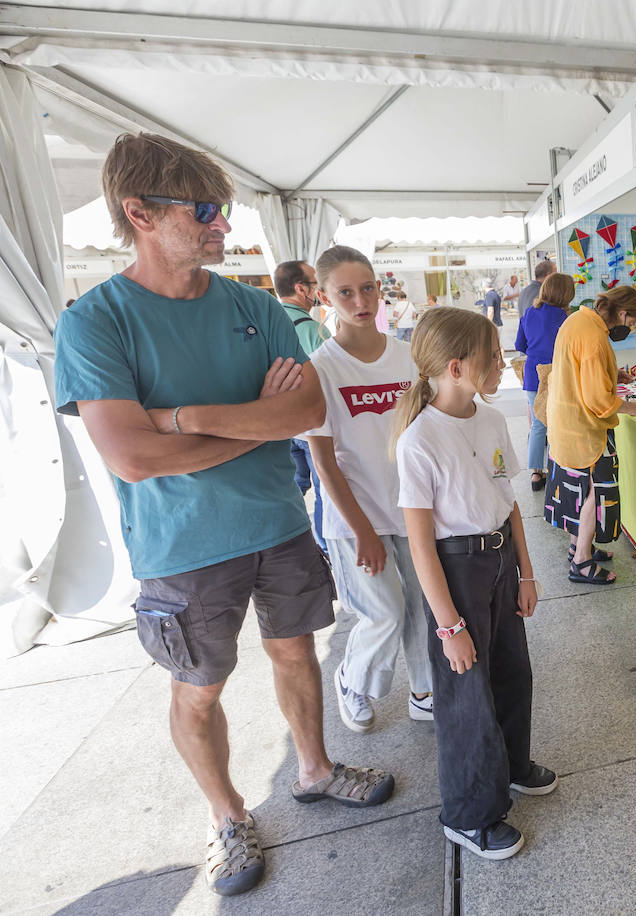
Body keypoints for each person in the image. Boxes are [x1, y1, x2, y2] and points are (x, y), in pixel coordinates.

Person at [53, 132, 393, 898]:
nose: (223, 227)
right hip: (181, 547)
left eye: (225, 210)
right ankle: (227, 815)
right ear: (138, 213)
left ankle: (314, 768)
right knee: (198, 687)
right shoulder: (97, 322)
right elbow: (131, 459)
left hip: (278, 524)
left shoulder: (252, 306)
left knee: (298, 653)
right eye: (204, 210)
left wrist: (181, 418)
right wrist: (253, 420)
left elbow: (305, 409)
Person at [394, 307, 557, 860]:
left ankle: (513, 764)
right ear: (458, 367)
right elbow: (420, 545)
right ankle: (469, 814)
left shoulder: (489, 419)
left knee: (513, 669)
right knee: (465, 695)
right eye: (493, 357)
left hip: (500, 560)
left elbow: (509, 502)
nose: (503, 364)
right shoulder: (419, 440)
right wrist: (449, 626)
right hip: (456, 572)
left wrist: (526, 572)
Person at [304, 246, 434, 734]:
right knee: (383, 613)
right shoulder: (320, 369)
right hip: (354, 515)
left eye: (367, 288)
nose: (360, 300)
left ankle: (424, 691)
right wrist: (361, 530)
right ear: (323, 297)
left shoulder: (408, 357)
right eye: (345, 292)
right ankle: (352, 680)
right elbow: (322, 460)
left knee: (423, 604)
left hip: (411, 508)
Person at [544, 285, 636, 584]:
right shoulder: (595, 338)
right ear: (622, 313)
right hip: (585, 428)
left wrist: (612, 375)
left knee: (578, 490)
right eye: (631, 324)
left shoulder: (577, 321)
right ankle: (581, 563)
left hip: (565, 420)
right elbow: (599, 402)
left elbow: (577, 370)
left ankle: (578, 548)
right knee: (594, 492)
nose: (629, 330)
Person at [274, 258, 330, 554]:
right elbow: (333, 379)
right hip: (313, 427)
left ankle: (287, 547)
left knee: (289, 489)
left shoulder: (266, 321)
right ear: (301, 289)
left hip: (279, 425)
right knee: (325, 491)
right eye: (315, 285)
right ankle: (325, 549)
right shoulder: (311, 330)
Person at [514, 272, 573, 492]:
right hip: (556, 375)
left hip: (532, 375)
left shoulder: (530, 312)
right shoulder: (564, 317)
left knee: (538, 424)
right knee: (559, 421)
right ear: (565, 294)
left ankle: (536, 472)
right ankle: (561, 468)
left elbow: (520, 344)